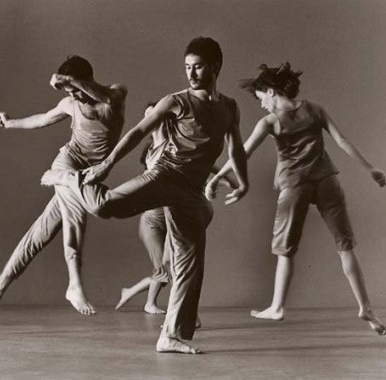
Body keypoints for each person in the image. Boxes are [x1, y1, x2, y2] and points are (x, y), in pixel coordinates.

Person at [41, 37, 248, 354]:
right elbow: (138, 131)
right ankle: (66, 177)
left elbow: (235, 146)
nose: (191, 74)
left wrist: (242, 182)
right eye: (187, 68)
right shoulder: (176, 101)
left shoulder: (229, 107)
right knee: (107, 205)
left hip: (191, 191)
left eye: (198, 67)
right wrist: (106, 165)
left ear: (216, 66)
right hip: (166, 175)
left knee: (190, 266)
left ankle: (171, 336)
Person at [206, 62, 386, 335]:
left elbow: (242, 152)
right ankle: (366, 307)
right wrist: (371, 168)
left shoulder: (270, 121)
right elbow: (343, 141)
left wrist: (217, 177)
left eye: (261, 98)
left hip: (295, 186)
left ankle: (277, 307)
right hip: (327, 181)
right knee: (345, 246)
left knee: (284, 250)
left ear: (270, 90)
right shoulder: (314, 108)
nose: (262, 105)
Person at [0, 56, 127, 321]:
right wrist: (10, 122)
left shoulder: (115, 94)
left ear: (87, 82)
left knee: (42, 231)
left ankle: (1, 282)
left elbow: (106, 97)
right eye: (70, 92)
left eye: (76, 90)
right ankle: (74, 284)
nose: (75, 96)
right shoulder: (70, 103)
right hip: (68, 163)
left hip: (87, 174)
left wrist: (72, 81)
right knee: (76, 214)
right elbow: (42, 119)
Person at [115, 103, 238, 317]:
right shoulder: (150, 152)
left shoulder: (178, 147)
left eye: (156, 114)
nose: (151, 118)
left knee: (172, 264)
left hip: (178, 214)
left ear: (166, 118)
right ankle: (168, 308)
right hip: (153, 220)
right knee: (165, 268)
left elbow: (207, 163)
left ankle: (180, 312)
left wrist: (226, 181)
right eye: (147, 115)